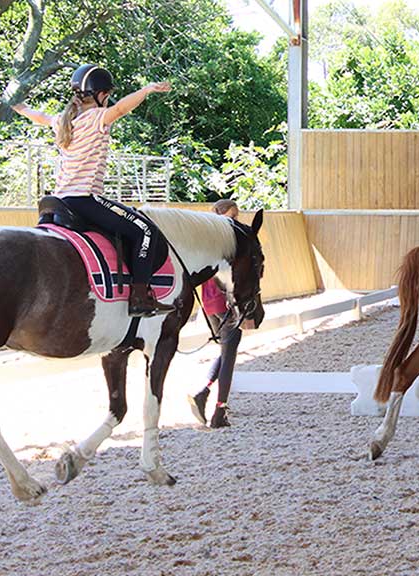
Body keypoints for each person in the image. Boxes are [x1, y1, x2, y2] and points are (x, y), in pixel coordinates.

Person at [13, 64, 174, 317]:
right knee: (145, 231)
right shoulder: (97, 118)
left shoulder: (64, 121)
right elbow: (121, 108)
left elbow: (38, 116)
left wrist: (17, 105)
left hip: (59, 200)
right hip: (85, 198)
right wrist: (147, 89)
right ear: (100, 95)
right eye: (107, 94)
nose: (108, 99)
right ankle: (140, 297)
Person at [187, 200, 245, 429]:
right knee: (230, 349)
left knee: (227, 347)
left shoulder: (207, 239)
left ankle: (205, 391)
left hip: (210, 302)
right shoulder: (223, 241)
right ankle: (218, 406)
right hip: (222, 301)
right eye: (232, 216)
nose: (235, 220)